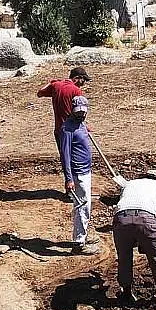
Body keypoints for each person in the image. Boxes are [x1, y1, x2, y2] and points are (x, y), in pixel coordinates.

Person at [112, 169, 156, 309]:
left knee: (124, 257)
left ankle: (126, 294)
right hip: (146, 217)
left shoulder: (130, 184)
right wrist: (149, 239)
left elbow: (127, 209)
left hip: (121, 218)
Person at [59, 95, 99, 254]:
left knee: (83, 204)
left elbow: (82, 126)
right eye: (78, 112)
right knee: (83, 205)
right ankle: (79, 243)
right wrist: (68, 179)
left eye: (83, 112)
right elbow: (65, 155)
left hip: (86, 171)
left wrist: (85, 128)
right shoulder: (67, 128)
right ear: (72, 110)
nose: (81, 114)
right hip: (78, 173)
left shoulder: (80, 123)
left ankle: (81, 235)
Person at [39, 67, 91, 156]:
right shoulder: (76, 90)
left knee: (65, 158)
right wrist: (84, 127)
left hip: (58, 129)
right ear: (76, 78)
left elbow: (39, 93)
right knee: (75, 158)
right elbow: (79, 112)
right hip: (72, 130)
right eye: (83, 80)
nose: (83, 84)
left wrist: (51, 82)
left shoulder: (56, 86)